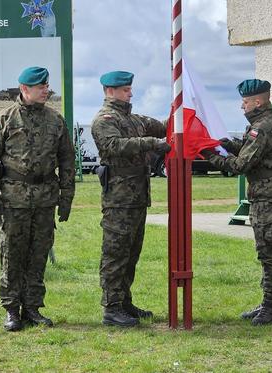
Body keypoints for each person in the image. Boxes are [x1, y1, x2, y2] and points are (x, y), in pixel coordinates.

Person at [0, 66, 76, 332]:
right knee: (12, 254)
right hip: (14, 199)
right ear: (25, 89)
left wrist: (66, 198)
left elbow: (67, 159)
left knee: (38, 255)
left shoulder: (55, 121)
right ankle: (11, 310)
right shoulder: (5, 119)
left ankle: (32, 308)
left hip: (45, 199)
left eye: (47, 86)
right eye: (41, 86)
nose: (46, 90)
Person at [200, 79, 272, 326]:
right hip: (264, 193)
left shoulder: (262, 127)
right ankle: (268, 303)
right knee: (265, 250)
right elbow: (253, 152)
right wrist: (230, 145)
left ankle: (270, 307)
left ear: (257, 102)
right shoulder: (262, 125)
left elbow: (241, 165)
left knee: (268, 252)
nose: (242, 106)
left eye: (245, 102)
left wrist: (209, 155)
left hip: (267, 195)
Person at [91, 71, 171, 327]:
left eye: (129, 89)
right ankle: (111, 308)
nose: (130, 93)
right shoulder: (105, 120)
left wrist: (180, 112)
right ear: (110, 91)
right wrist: (151, 143)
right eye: (125, 90)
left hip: (137, 197)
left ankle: (124, 301)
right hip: (119, 199)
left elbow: (164, 125)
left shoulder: (133, 119)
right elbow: (113, 146)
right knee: (115, 253)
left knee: (132, 252)